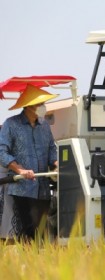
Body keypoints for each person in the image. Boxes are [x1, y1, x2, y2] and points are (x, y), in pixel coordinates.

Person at [0, 84, 58, 241]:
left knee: (43, 231)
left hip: (43, 188)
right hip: (22, 188)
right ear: (29, 106)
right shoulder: (11, 124)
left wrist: (56, 164)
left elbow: (52, 150)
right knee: (31, 230)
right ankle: (31, 260)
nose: (43, 107)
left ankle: (40, 261)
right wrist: (20, 170)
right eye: (40, 104)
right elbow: (2, 152)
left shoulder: (45, 126)